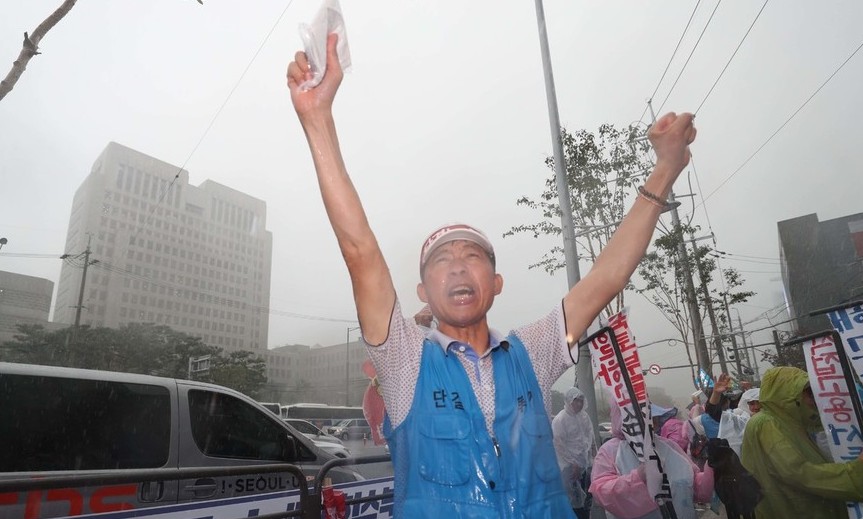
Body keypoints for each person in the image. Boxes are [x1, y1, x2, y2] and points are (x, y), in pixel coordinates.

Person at [286, 33, 697, 517]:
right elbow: (360, 251)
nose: (458, 263)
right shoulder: (403, 361)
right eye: (442, 260)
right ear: (423, 291)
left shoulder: (535, 352)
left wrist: (664, 170)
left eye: (473, 256)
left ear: (496, 284)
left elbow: (605, 278)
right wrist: (317, 119)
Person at [741, 366, 863, 518]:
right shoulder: (767, 423)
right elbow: (797, 472)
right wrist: (855, 473)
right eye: (808, 393)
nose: (813, 399)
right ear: (788, 396)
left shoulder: (788, 421)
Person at [590, 402, 714, 519]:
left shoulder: (668, 446)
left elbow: (692, 485)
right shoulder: (611, 451)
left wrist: (712, 467)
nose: (651, 422)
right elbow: (603, 493)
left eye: (651, 417)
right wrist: (639, 477)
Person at [552, 388, 595, 518]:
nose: (579, 404)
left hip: (584, 466)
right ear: (568, 401)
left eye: (581, 401)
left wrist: (594, 456)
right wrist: (572, 464)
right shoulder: (561, 419)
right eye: (575, 401)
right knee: (572, 500)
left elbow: (590, 437)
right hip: (568, 467)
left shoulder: (584, 416)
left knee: (586, 499)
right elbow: (559, 445)